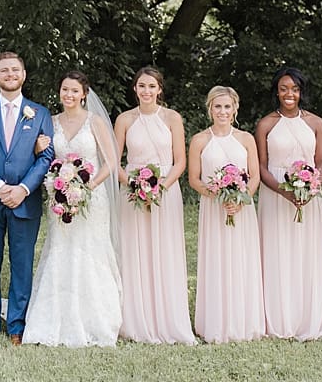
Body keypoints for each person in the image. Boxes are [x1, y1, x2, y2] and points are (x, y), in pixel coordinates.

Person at [22, 71, 122, 347]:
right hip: (60, 198)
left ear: (84, 94)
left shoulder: (96, 122)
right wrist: (37, 150)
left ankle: (96, 318)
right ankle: (55, 317)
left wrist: (85, 189)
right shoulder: (50, 123)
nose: (68, 95)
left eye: (74, 90)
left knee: (90, 251)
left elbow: (110, 162)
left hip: (92, 197)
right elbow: (44, 158)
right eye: (64, 89)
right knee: (61, 250)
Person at [0, 51, 54, 344]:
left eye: (15, 70)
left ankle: (17, 324)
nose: (10, 74)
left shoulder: (39, 113)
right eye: (3, 70)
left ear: (24, 74)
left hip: (24, 201)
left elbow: (47, 157)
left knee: (22, 263)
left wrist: (23, 189)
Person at [114, 66, 195, 344]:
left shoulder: (172, 118)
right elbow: (114, 162)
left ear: (160, 89)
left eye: (152, 86)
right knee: (136, 250)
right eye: (141, 86)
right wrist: (134, 186)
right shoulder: (124, 119)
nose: (146, 91)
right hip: (133, 192)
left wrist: (159, 187)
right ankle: (137, 318)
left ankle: (167, 317)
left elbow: (180, 161)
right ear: (134, 89)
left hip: (165, 190)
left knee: (165, 250)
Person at [254, 66, 322, 340]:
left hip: (310, 196)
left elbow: (321, 163)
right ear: (277, 90)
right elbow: (261, 167)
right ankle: (279, 317)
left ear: (301, 92)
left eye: (295, 89)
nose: (289, 94)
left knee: (308, 253)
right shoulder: (265, 124)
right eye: (284, 88)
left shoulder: (316, 123)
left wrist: (312, 186)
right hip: (276, 195)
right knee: (278, 253)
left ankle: (310, 316)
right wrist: (284, 192)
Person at [187, 85, 264, 343]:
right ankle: (216, 322)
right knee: (217, 260)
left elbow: (254, 177)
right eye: (217, 106)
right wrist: (217, 194)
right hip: (213, 208)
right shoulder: (199, 140)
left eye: (227, 106)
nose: (222, 111)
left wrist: (241, 201)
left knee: (242, 259)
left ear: (235, 109)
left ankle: (244, 320)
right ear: (210, 108)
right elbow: (194, 179)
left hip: (242, 209)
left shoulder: (245, 139)